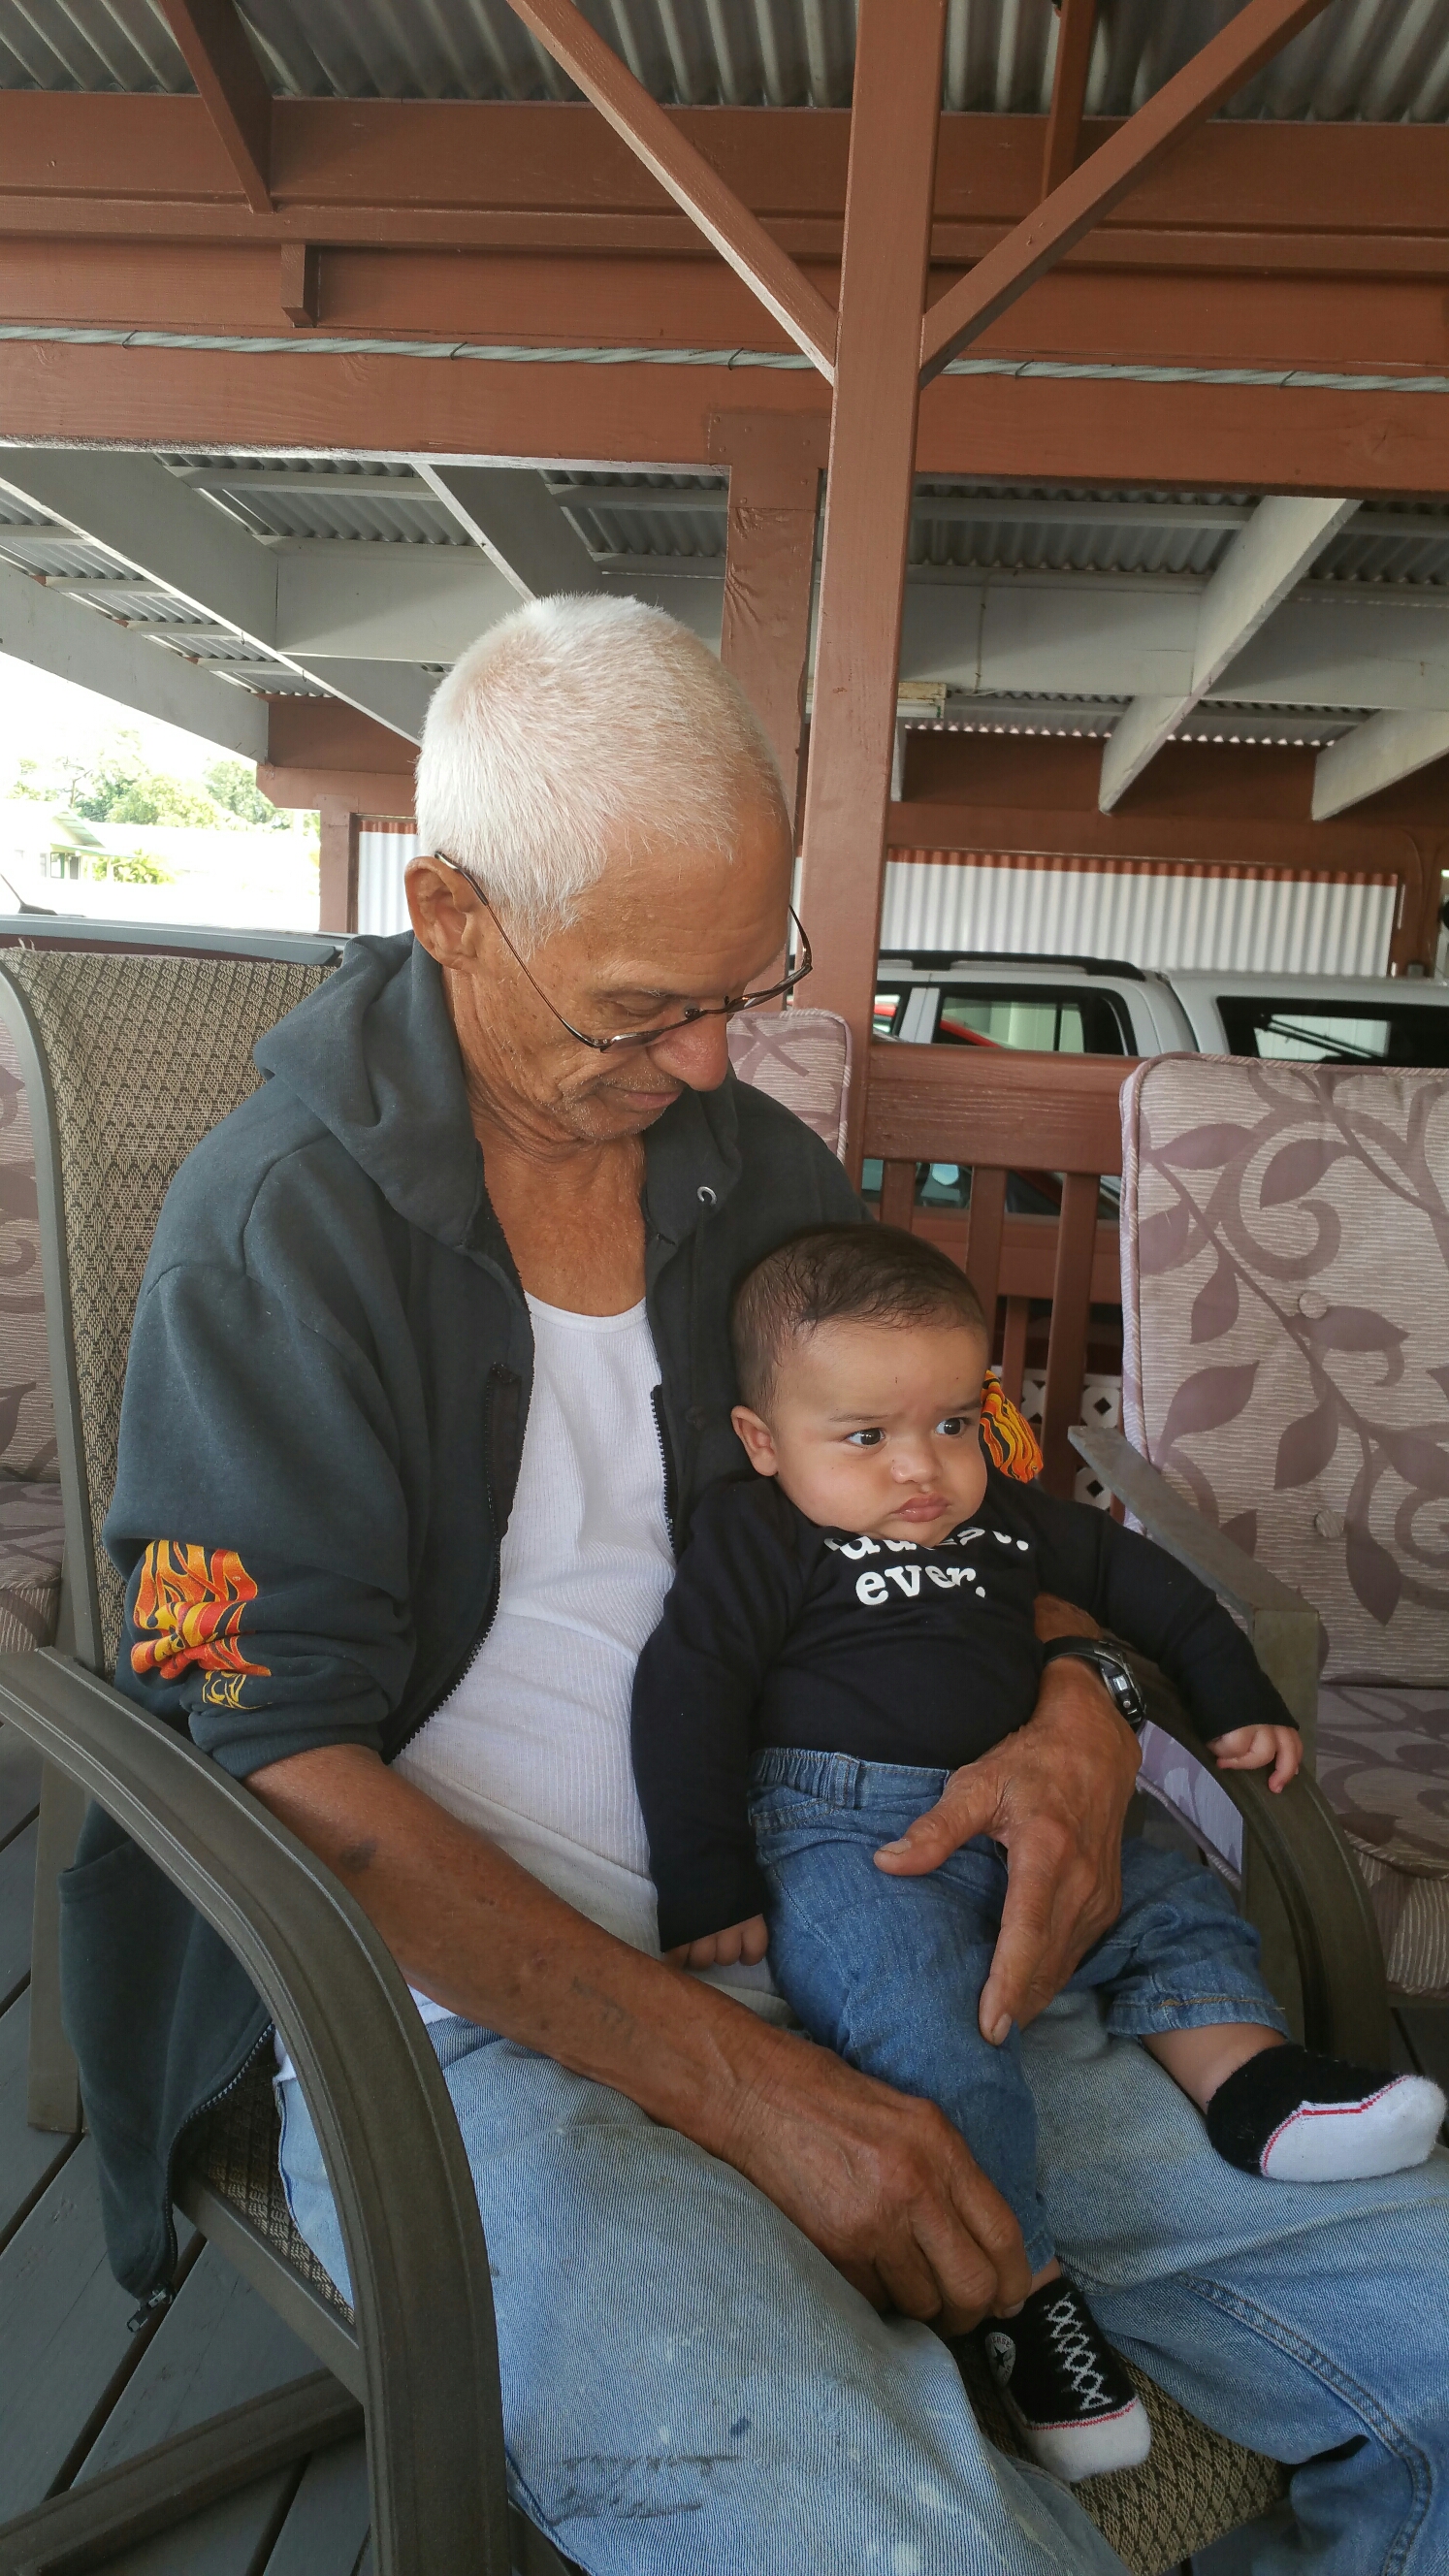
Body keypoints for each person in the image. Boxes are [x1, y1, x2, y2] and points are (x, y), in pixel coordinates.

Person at [80, 595, 1449, 2575]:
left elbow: (990, 1498)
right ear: (452, 910)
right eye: (643, 1008)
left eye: (748, 984)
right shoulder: (269, 1238)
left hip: (888, 1909)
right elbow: (272, 1760)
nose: (715, 1059)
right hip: (478, 2034)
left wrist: (1083, 1708)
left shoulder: (761, 1178)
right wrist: (749, 2091)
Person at [631, 1224, 1445, 2482]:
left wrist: (1235, 1694)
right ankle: (1026, 2295)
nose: (921, 1468)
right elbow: (688, 1686)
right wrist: (706, 1875)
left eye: (952, 1424)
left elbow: (1148, 1588)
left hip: (1035, 1806)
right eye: (866, 1436)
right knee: (915, 2021)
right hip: (852, 1835)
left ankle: (1254, 2089)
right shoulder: (759, 1535)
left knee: (1172, 1902)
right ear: (762, 1440)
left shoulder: (1006, 1524)